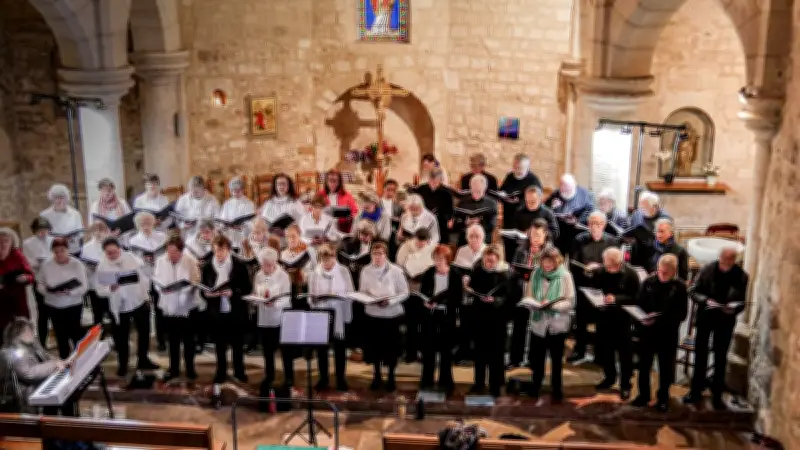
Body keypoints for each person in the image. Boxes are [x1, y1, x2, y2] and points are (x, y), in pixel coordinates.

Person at [684, 246, 748, 410]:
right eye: (724, 260)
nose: (726, 263)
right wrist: (706, 300)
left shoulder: (741, 276)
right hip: (706, 317)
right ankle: (696, 390)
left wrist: (734, 308)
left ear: (734, 260)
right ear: (719, 257)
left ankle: (717, 395)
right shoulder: (707, 270)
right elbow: (693, 291)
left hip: (725, 321)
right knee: (701, 355)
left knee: (720, 358)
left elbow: (741, 302)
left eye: (730, 261)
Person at [631, 254, 689, 412]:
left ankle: (663, 398)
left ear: (674, 271)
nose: (662, 275)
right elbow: (639, 304)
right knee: (644, 366)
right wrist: (641, 318)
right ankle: (643, 396)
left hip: (667, 333)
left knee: (665, 368)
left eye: (666, 273)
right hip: (647, 333)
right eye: (660, 271)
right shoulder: (648, 282)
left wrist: (659, 319)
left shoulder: (680, 287)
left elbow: (681, 314)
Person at [95, 237, 159, 377]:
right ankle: (123, 364)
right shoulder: (102, 265)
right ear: (105, 253)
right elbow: (99, 290)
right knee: (121, 337)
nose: (112, 255)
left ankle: (143, 359)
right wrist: (110, 288)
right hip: (119, 307)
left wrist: (147, 297)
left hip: (138, 301)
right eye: (109, 253)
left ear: (119, 249)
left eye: (114, 252)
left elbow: (144, 278)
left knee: (144, 333)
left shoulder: (131, 258)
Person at [567, 211, 620, 363]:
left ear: (604, 225)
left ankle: (600, 354)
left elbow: (616, 265)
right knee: (581, 321)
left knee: (602, 323)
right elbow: (573, 262)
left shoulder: (612, 241)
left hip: (603, 287)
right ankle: (580, 350)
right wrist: (585, 269)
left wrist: (600, 267)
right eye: (591, 224)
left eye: (598, 224)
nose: (594, 227)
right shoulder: (579, 239)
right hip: (584, 285)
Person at [525, 246, 575, 404]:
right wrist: (535, 303)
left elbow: (570, 301)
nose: (546, 265)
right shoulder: (536, 273)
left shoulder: (565, 275)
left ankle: (557, 389)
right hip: (539, 323)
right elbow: (529, 295)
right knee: (537, 358)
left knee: (556, 359)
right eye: (544, 262)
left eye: (549, 262)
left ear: (556, 261)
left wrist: (552, 306)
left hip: (557, 324)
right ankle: (535, 385)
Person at [200, 235, 253, 384]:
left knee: (237, 344)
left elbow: (247, 289)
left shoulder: (239, 266)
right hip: (217, 313)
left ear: (228, 249)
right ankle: (221, 372)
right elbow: (203, 289)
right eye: (216, 251)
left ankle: (239, 371)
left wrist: (233, 293)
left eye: (222, 250)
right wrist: (209, 294)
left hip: (235, 311)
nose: (219, 254)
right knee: (220, 345)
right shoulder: (208, 267)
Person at [358, 241, 409, 392]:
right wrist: (369, 299)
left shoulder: (396, 271)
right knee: (375, 349)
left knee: (391, 349)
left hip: (391, 316)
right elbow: (362, 291)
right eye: (375, 254)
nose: (377, 257)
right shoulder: (365, 271)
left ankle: (391, 378)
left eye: (380, 254)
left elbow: (405, 292)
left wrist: (390, 301)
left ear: (386, 255)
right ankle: (377, 376)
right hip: (373, 315)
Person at [591, 247, 641, 400]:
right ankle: (609, 377)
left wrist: (617, 299)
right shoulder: (601, 272)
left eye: (609, 265)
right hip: (604, 317)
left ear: (619, 263)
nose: (606, 267)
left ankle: (625, 384)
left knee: (624, 354)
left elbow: (635, 298)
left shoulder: (631, 275)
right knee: (606, 351)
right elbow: (595, 289)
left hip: (622, 320)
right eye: (605, 264)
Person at [0, 318, 73, 415]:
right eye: (27, 331)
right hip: (23, 393)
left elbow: (45, 355)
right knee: (61, 392)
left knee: (67, 391)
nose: (31, 333)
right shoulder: (12, 353)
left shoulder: (31, 343)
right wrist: (54, 365)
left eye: (30, 330)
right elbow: (29, 373)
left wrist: (60, 361)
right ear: (17, 335)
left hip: (38, 383)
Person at [463, 245, 509, 397]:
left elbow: (508, 298)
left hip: (496, 321)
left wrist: (495, 300)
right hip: (480, 319)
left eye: (492, 261)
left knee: (496, 355)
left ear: (497, 260)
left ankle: (495, 386)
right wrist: (469, 290)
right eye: (487, 261)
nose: (489, 263)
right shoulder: (477, 273)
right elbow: (472, 291)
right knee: (479, 354)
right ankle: (479, 384)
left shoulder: (504, 276)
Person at [153, 235, 200, 382]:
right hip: (169, 305)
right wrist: (162, 289)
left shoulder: (190, 261)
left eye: (174, 252)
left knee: (188, 341)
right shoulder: (161, 261)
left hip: (187, 306)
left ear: (181, 251)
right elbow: (156, 279)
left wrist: (186, 288)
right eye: (169, 251)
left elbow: (196, 280)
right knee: (172, 340)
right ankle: (174, 369)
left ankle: (190, 368)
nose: (171, 254)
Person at [308, 245, 354, 391]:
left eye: (329, 259)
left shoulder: (343, 271)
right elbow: (310, 296)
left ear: (334, 257)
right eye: (324, 260)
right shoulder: (315, 273)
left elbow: (351, 293)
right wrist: (314, 300)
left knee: (340, 349)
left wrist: (337, 297)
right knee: (322, 350)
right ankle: (323, 379)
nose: (327, 263)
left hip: (339, 313)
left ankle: (341, 379)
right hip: (321, 313)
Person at [418, 245, 461, 394]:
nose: (438, 262)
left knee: (446, 351)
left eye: (441, 259)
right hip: (431, 316)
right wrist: (426, 302)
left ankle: (445, 381)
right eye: (436, 258)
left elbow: (457, 298)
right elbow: (423, 292)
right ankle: (427, 380)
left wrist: (441, 301)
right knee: (428, 350)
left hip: (446, 316)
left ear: (447, 259)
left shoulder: (455, 274)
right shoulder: (429, 273)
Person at [36, 238, 88, 359]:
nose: (59, 254)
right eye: (56, 251)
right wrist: (48, 291)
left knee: (75, 333)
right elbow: (39, 285)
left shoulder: (76, 264)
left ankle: (79, 359)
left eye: (62, 250)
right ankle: (64, 360)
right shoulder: (46, 264)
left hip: (73, 304)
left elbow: (84, 287)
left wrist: (70, 292)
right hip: (53, 304)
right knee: (60, 335)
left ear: (67, 250)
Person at [507, 220, 549, 369]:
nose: (535, 238)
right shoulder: (521, 249)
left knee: (537, 329)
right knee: (519, 326)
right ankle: (515, 359)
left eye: (538, 235)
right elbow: (512, 270)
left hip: (540, 294)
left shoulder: (549, 253)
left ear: (545, 235)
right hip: (521, 292)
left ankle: (533, 360)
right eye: (532, 234)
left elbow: (554, 274)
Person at [252, 247, 294, 390]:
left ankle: (289, 377)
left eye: (269, 265)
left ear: (275, 262)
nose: (267, 268)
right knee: (267, 351)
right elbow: (255, 295)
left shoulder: (283, 276)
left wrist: (275, 303)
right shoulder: (258, 275)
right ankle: (269, 375)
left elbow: (287, 299)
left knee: (285, 351)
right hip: (264, 319)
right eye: (264, 265)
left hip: (280, 319)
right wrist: (256, 300)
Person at [129, 211, 168, 352]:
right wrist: (143, 260)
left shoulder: (162, 237)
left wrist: (155, 258)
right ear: (138, 225)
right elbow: (132, 260)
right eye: (142, 224)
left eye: (148, 223)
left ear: (153, 223)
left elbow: (166, 255)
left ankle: (161, 340)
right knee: (144, 310)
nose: (146, 226)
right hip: (143, 277)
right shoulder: (133, 240)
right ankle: (145, 344)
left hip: (158, 276)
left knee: (160, 310)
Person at [396, 228, 436, 363]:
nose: (420, 244)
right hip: (409, 289)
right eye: (418, 241)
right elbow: (399, 266)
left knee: (425, 324)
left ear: (428, 241)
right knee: (411, 324)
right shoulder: (405, 247)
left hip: (424, 291)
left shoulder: (432, 249)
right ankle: (410, 353)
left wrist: (424, 276)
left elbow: (434, 266)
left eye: (423, 242)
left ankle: (424, 353)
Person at [23, 218, 54, 348]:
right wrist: (38, 262)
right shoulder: (28, 243)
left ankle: (58, 338)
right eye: (39, 231)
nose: (42, 233)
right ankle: (42, 341)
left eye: (45, 230)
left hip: (54, 278)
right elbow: (27, 262)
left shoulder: (53, 240)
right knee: (43, 313)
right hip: (39, 279)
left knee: (56, 311)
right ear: (34, 231)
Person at [545, 174, 595, 255]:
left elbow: (590, 210)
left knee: (574, 256)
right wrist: (552, 206)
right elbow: (545, 209)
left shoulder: (584, 194)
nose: (564, 189)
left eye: (567, 187)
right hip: (560, 233)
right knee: (558, 256)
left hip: (576, 232)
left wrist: (578, 220)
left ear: (574, 185)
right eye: (562, 186)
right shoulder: (556, 194)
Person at [0, 228, 33, 345]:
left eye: (6, 241)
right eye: (0, 241)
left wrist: (25, 278)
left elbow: (31, 276)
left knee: (22, 334)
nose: (3, 244)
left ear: (12, 242)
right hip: (1, 305)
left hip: (18, 303)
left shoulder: (17, 256)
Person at [510, 186, 559, 261]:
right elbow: (514, 230)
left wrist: (539, 233)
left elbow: (555, 232)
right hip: (524, 248)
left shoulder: (548, 212)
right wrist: (523, 234)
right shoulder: (519, 212)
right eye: (527, 201)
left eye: (533, 202)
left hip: (544, 249)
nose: (529, 204)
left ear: (540, 199)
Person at [498, 153, 543, 231]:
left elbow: (536, 201)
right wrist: (504, 197)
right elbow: (501, 191)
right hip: (509, 216)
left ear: (527, 168)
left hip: (525, 218)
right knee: (508, 239)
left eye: (520, 168)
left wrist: (519, 201)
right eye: (515, 167)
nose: (516, 170)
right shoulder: (510, 176)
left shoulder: (533, 180)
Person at [409, 168, 454, 245]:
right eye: (431, 181)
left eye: (435, 182)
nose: (433, 184)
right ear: (428, 179)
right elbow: (413, 197)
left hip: (440, 221)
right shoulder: (422, 189)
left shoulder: (447, 193)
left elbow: (449, 211)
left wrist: (447, 219)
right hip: (423, 221)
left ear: (440, 181)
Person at [80, 221, 111, 327]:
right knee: (97, 314)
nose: (98, 233)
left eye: (101, 231)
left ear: (106, 232)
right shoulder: (86, 247)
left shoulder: (111, 245)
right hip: (93, 283)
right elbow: (83, 267)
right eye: (95, 231)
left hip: (109, 282)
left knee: (112, 312)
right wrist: (90, 268)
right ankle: (98, 337)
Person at [40, 184, 84, 255]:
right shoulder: (44, 215)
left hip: (73, 250)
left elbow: (80, 233)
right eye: (56, 197)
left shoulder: (75, 213)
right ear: (52, 198)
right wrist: (56, 239)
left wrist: (71, 238)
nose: (59, 200)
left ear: (66, 198)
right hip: (54, 251)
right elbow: (42, 235)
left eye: (62, 197)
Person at [260, 173, 305, 242]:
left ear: (289, 186)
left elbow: (302, 222)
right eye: (279, 184)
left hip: (290, 239)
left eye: (284, 184)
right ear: (275, 186)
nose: (281, 186)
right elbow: (263, 222)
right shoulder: (268, 202)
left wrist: (286, 232)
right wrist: (270, 229)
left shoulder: (295, 202)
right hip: (271, 238)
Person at [454, 174, 497, 246]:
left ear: (484, 189)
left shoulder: (491, 203)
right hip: (465, 240)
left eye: (479, 191)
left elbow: (492, 225)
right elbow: (455, 222)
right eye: (473, 190)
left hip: (483, 240)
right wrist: (465, 222)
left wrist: (479, 223)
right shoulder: (462, 202)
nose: (475, 194)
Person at [217, 176, 256, 252]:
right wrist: (225, 225)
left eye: (238, 190)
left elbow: (252, 222)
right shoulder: (227, 204)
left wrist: (243, 226)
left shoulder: (249, 203)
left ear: (243, 190)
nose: (236, 193)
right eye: (233, 191)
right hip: (230, 235)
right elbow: (222, 220)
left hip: (243, 235)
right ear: (230, 191)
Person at [380, 179, 404, 258]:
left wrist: (397, 219)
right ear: (384, 189)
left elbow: (404, 219)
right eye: (388, 189)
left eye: (393, 190)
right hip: (381, 232)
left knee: (393, 254)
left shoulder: (398, 205)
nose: (390, 192)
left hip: (394, 232)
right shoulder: (377, 203)